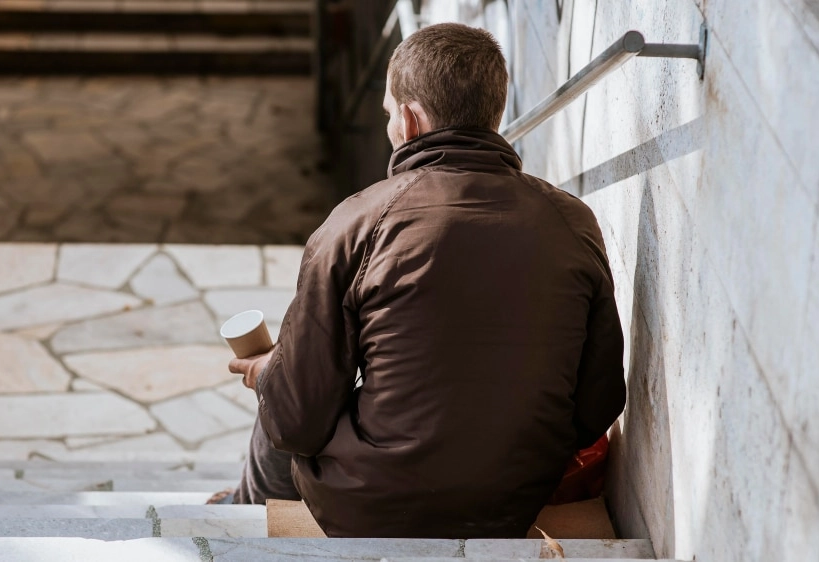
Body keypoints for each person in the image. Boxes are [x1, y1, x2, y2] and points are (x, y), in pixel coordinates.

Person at [223, 22, 626, 539]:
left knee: (285, 390)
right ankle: (240, 500)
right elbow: (598, 404)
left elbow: (296, 422)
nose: (391, 124)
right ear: (493, 113)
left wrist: (269, 374)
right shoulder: (573, 221)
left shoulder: (356, 222)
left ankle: (241, 510)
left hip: (367, 507)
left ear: (411, 121)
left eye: (390, 114)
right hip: (512, 503)